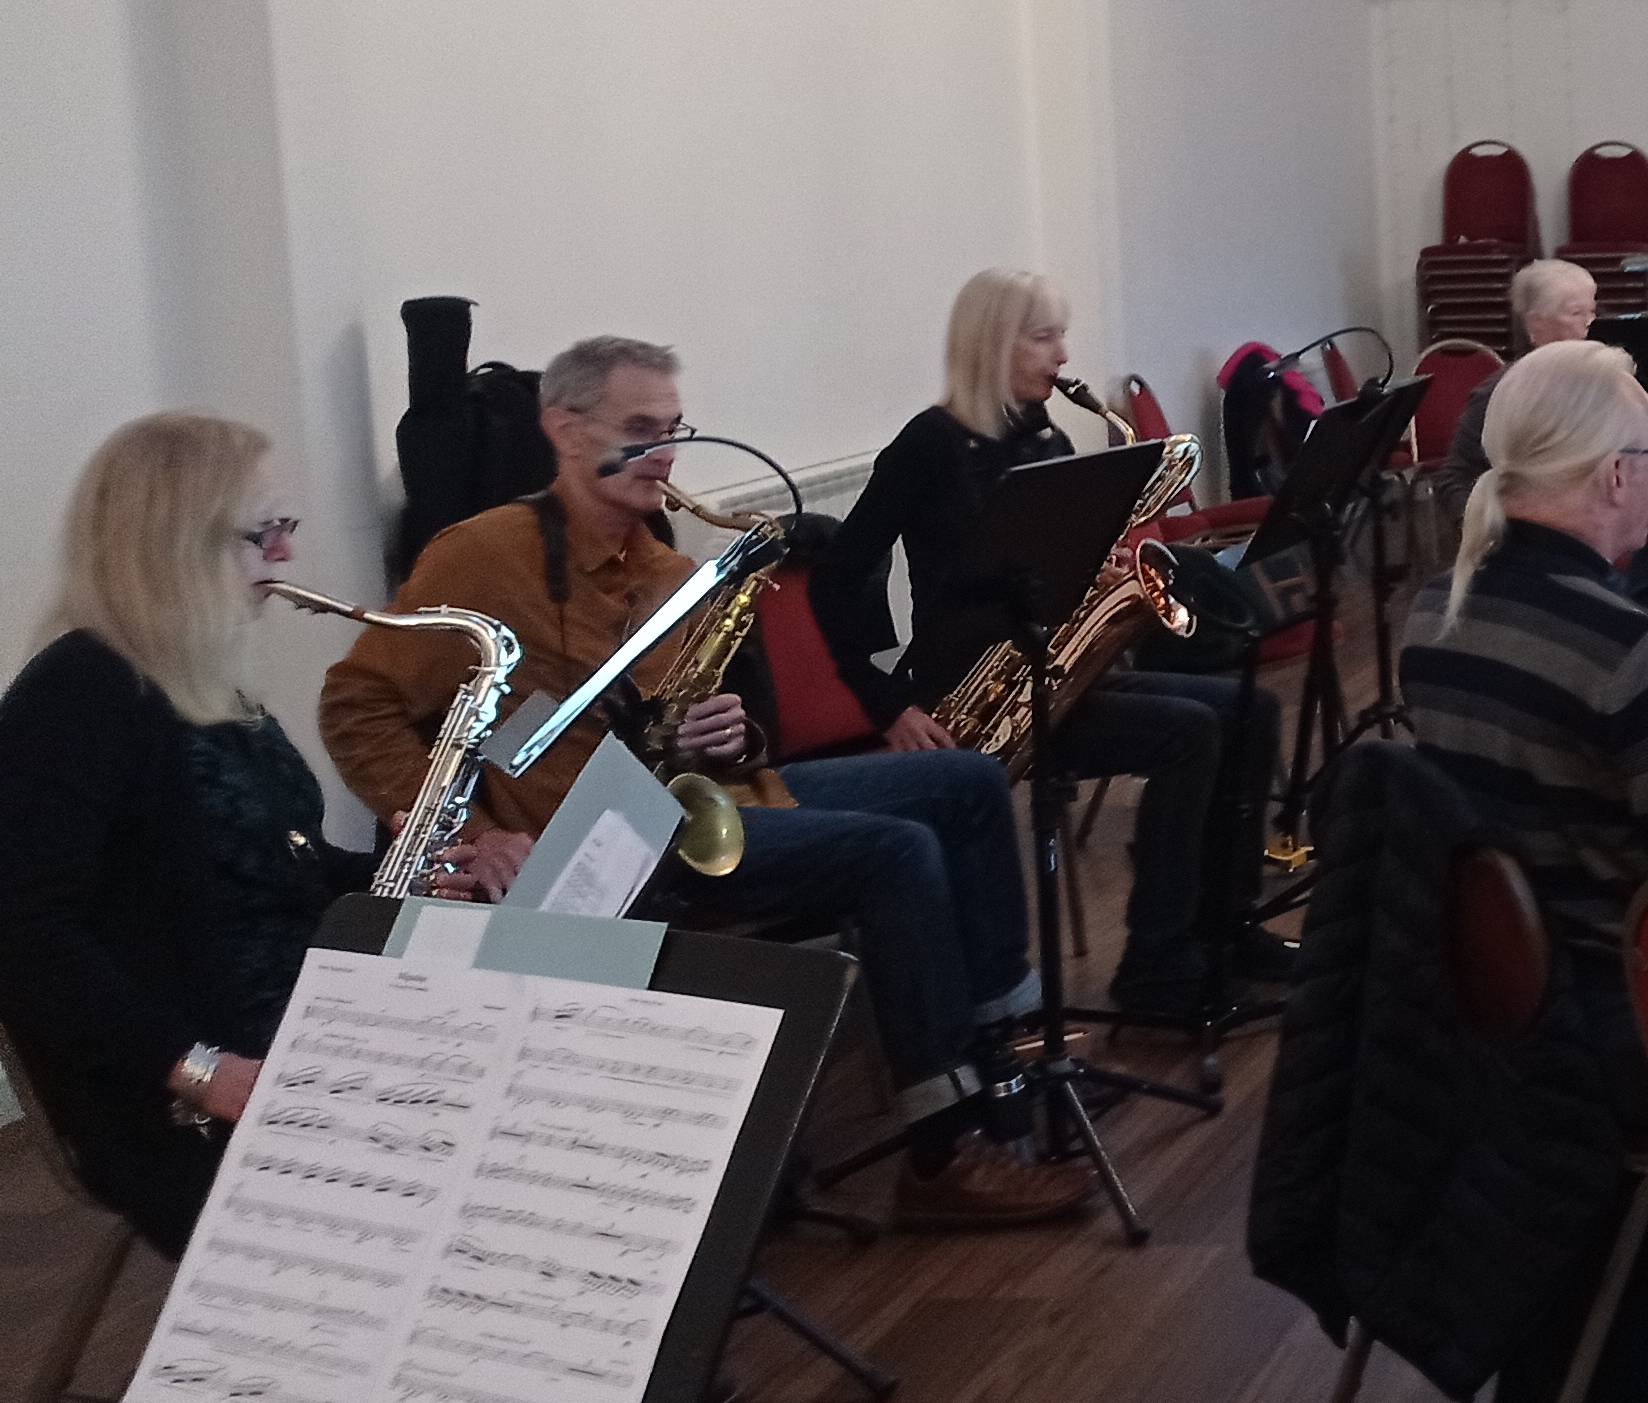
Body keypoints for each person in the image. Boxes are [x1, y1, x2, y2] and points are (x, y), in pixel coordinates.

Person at [319, 336, 1086, 1227]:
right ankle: (943, 1149)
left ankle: (1004, 1047)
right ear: (564, 431)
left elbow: (721, 735)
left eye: (674, 429)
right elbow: (357, 705)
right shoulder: (480, 555)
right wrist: (463, 832)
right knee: (897, 849)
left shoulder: (670, 569)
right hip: (599, 846)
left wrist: (735, 733)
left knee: (963, 780)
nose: (667, 454)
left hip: (705, 803)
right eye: (640, 430)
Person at [0, 417, 517, 1257]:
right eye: (261, 533)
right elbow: (24, 937)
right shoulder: (78, 693)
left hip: (298, 1026)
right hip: (182, 1096)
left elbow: (278, 873)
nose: (285, 558)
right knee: (492, 1132)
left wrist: (411, 868)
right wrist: (200, 1069)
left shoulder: (211, 689)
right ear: (172, 541)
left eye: (289, 529)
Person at [1398, 341, 1648, 1403]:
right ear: (1611, 475)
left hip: (1497, 1013)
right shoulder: (1636, 649)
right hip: (1621, 1023)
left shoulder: (1429, 614)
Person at [814, 269, 1280, 1021]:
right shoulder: (929, 444)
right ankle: (1158, 966)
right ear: (993, 343)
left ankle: (1222, 929)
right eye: (1044, 336)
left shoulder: (1044, 433)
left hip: (1050, 672)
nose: (1063, 353)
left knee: (1251, 710)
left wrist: (1106, 572)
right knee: (1191, 731)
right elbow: (835, 579)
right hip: (971, 694)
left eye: (1062, 333)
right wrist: (886, 705)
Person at [1445, 256, 1599, 485]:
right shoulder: (1498, 393)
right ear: (1536, 322)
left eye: (1592, 311)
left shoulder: (1605, 382)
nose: (1590, 322)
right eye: (1576, 313)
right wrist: (1495, 520)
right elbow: (1455, 478)